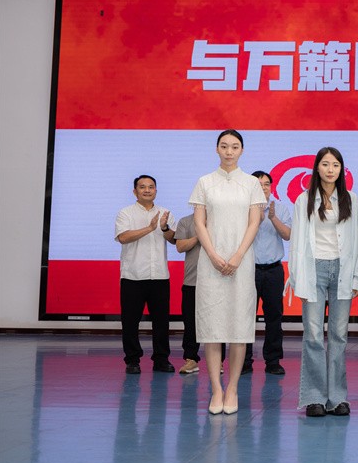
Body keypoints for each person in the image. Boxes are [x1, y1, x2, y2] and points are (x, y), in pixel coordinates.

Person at [189, 129, 266, 415]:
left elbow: (254, 222)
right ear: (217, 149)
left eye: (234, 147)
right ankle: (216, 389)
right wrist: (212, 254)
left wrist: (237, 256)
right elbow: (200, 223)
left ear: (242, 150)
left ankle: (232, 388)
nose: (229, 151)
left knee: (238, 327)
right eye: (224, 146)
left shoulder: (251, 184)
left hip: (241, 263)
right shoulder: (205, 182)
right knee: (211, 328)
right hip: (211, 263)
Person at [289, 147, 358, 417]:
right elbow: (297, 241)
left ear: (341, 169)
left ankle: (337, 398)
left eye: (335, 165)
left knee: (338, 335)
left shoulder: (352, 199)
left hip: (343, 269)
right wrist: (298, 277)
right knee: (313, 335)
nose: (330, 169)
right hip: (314, 269)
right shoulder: (304, 200)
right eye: (325, 164)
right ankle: (314, 397)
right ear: (317, 168)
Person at [114, 175, 177, 374]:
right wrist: (149, 228)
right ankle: (132, 360)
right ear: (135, 191)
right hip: (133, 276)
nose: (147, 190)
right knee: (130, 321)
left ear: (156, 191)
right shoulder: (125, 213)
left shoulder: (165, 213)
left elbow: (174, 240)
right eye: (142, 187)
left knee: (161, 322)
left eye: (151, 187)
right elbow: (123, 237)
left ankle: (161, 359)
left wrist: (164, 227)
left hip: (159, 276)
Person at [242, 170, 291, 376]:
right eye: (259, 184)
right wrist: (258, 220)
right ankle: (244, 361)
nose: (263, 188)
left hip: (273, 270)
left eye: (267, 184)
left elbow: (288, 235)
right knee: (245, 317)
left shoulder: (280, 208)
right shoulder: (242, 208)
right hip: (248, 270)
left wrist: (273, 218)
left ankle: (273, 361)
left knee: (274, 317)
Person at [174, 213, 201, 374]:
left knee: (217, 322)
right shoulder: (185, 221)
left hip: (216, 283)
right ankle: (191, 359)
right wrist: (199, 236)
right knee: (190, 324)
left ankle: (218, 361)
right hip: (191, 281)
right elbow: (180, 246)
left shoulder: (221, 218)